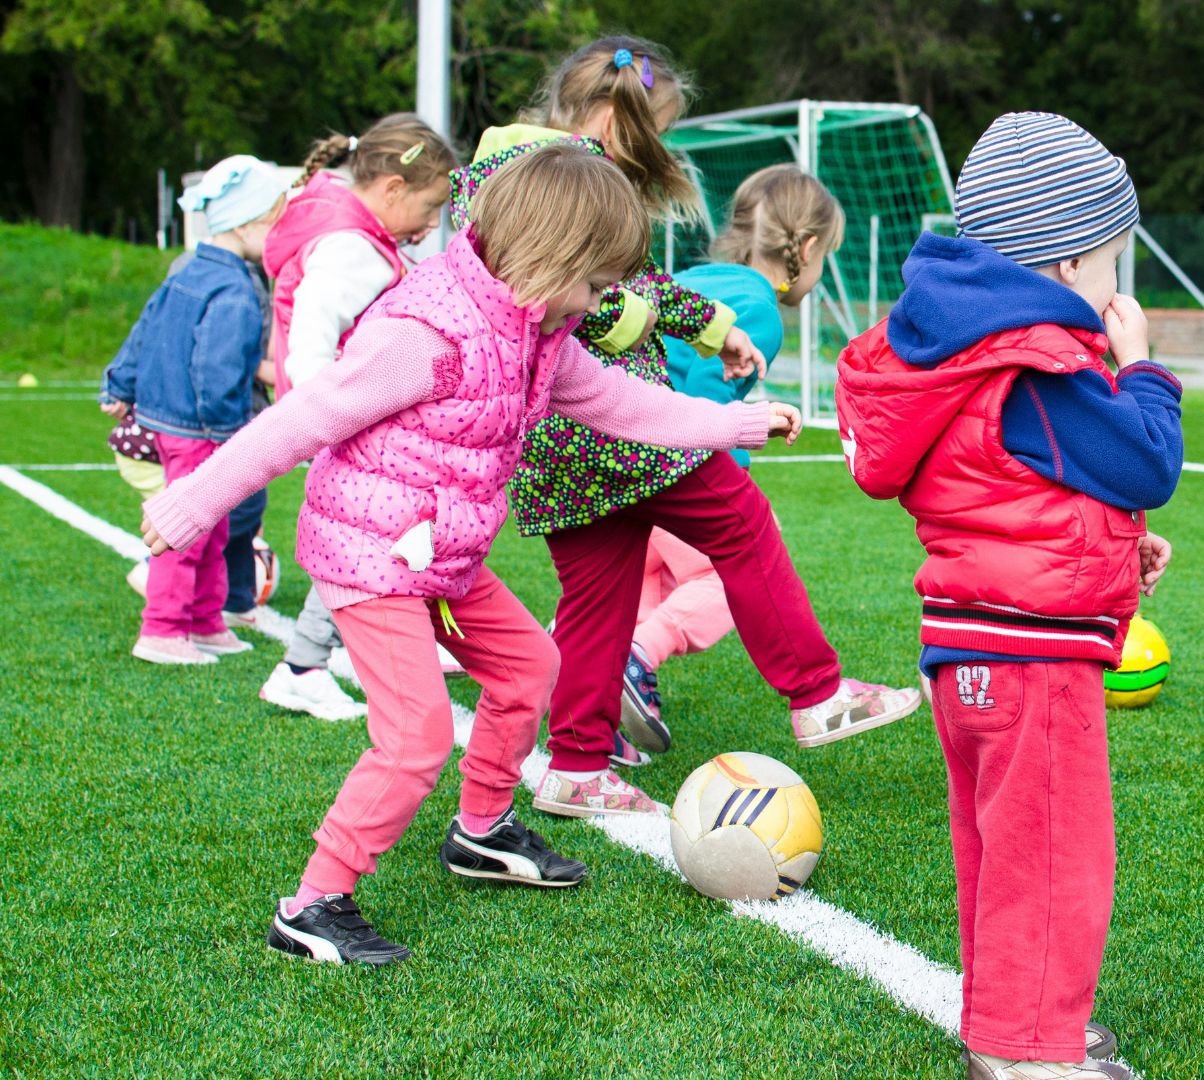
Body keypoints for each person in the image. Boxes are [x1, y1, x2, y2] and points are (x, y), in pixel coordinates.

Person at [137, 144, 800, 967]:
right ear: (549, 258)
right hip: (372, 556)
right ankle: (311, 905)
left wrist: (738, 422)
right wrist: (193, 502)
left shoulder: (539, 330)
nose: (601, 305)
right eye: (596, 286)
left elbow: (622, 404)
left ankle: (482, 830)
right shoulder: (425, 334)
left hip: (441, 556)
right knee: (415, 737)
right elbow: (303, 420)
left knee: (531, 668)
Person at [449, 36, 917, 820]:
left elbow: (634, 282)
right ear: (612, 118)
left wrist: (714, 327)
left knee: (598, 597)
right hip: (614, 425)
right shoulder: (561, 176)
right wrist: (657, 327)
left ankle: (576, 766)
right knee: (743, 523)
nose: (655, 149)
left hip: (552, 442)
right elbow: (586, 299)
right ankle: (816, 692)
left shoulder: (504, 172)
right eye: (654, 130)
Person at [836, 112, 1183, 1080]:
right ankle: (1026, 1051)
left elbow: (1013, 490)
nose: (1116, 287)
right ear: (1067, 263)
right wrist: (1143, 368)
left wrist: (1118, 548)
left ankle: (1012, 1022)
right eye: (1111, 261)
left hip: (971, 647)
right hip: (1032, 655)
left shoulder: (962, 348)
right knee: (1055, 857)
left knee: (1002, 850)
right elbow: (1147, 460)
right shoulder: (1036, 363)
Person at [618, 164, 845, 753]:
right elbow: (704, 397)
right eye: (826, 257)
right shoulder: (760, 311)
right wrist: (730, 484)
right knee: (728, 572)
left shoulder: (694, 279)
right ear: (807, 249)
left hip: (616, 459)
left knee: (638, 581)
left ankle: (595, 683)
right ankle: (639, 656)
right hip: (666, 464)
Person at [255, 113, 460, 722]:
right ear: (393, 189)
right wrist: (330, 415)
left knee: (384, 537)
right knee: (367, 543)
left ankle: (342, 653)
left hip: (353, 422)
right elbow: (312, 340)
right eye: (430, 206)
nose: (432, 225)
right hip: (353, 427)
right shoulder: (352, 250)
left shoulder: (351, 233)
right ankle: (302, 667)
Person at [100, 156, 288, 665]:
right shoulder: (235, 288)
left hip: (176, 421)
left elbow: (145, 326)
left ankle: (205, 621)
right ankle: (162, 629)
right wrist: (230, 434)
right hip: (202, 429)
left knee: (214, 526)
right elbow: (216, 367)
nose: (279, 234)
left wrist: (120, 381)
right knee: (187, 529)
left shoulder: (189, 269)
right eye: (274, 221)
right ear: (246, 225)